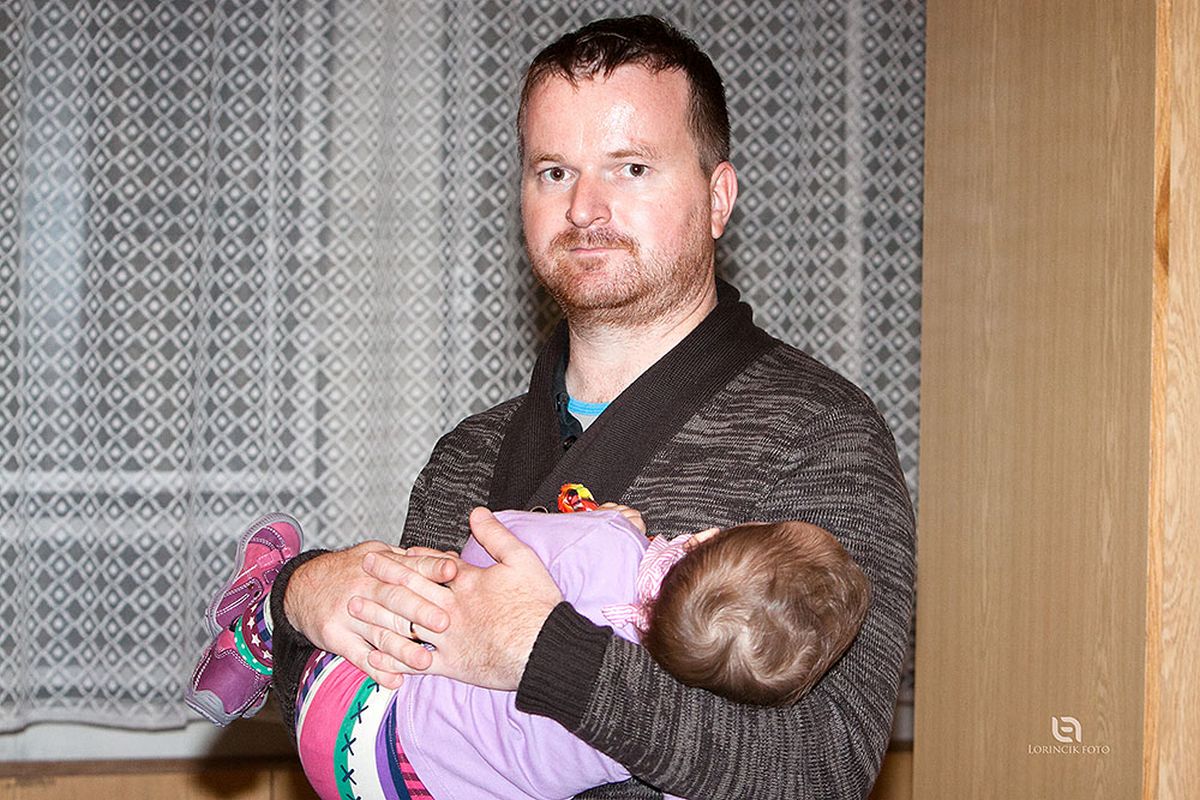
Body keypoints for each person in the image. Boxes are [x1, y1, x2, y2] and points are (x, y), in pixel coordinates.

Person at [269, 14, 915, 799]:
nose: (583, 208)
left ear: (717, 198)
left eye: (630, 168)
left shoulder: (819, 435)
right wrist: (297, 598)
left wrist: (546, 654)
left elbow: (823, 768)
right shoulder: (470, 453)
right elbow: (385, 717)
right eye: (554, 172)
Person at [188, 506, 869, 799]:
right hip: (400, 790)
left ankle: (258, 619)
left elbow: (487, 545)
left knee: (405, 586)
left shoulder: (606, 546)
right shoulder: (670, 737)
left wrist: (594, 522)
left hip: (355, 725)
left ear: (708, 536)